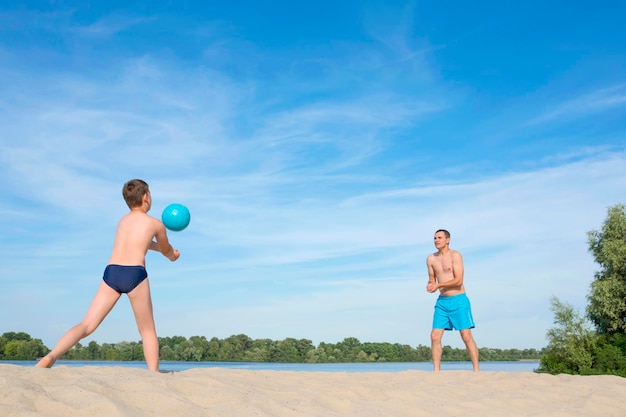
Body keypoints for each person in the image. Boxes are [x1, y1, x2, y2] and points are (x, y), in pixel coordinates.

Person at [36, 179, 180, 372]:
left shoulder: (123, 221)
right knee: (147, 330)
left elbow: (139, 242)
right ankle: (153, 374)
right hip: (134, 273)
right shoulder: (155, 224)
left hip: (112, 272)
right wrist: (173, 255)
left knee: (86, 325)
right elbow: (166, 250)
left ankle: (50, 357)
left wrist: (158, 248)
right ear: (146, 197)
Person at [426, 229, 479, 371]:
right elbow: (432, 279)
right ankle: (436, 371)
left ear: (447, 240)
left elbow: (458, 280)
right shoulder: (431, 259)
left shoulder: (455, 256)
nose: (436, 240)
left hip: (459, 300)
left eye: (440, 237)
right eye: (435, 238)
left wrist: (439, 285)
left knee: (466, 336)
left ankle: (476, 370)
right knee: (434, 336)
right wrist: (431, 285)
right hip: (442, 302)